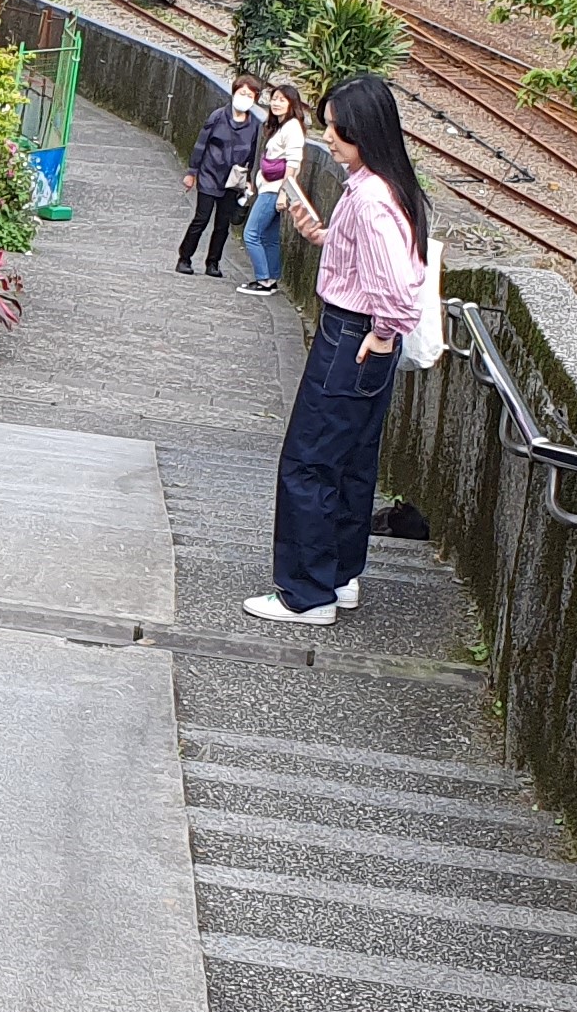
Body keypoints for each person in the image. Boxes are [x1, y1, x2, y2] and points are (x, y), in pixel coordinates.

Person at [244, 75, 428, 626]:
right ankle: (340, 575)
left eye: (334, 128)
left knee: (309, 461)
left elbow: (395, 284)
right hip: (364, 336)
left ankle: (306, 594)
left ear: (362, 133)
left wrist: (385, 329)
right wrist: (320, 235)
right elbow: (372, 258)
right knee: (351, 461)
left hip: (352, 335)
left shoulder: (370, 198)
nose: (326, 136)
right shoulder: (385, 185)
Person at [179, 75, 264, 278]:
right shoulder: (217, 116)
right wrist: (192, 172)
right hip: (210, 175)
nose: (244, 97)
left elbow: (252, 153)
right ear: (234, 93)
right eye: (241, 93)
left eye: (249, 95)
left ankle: (213, 262)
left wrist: (248, 179)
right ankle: (184, 258)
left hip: (233, 181)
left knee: (222, 224)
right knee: (201, 218)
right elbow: (201, 144)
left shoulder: (253, 125)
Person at [238, 82, 309, 297]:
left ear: (292, 104)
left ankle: (263, 280)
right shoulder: (282, 126)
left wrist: (284, 193)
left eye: (282, 100)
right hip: (269, 187)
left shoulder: (293, 128)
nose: (276, 103)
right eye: (274, 98)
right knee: (268, 237)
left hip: (274, 190)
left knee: (251, 233)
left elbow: (293, 164)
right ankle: (271, 278)